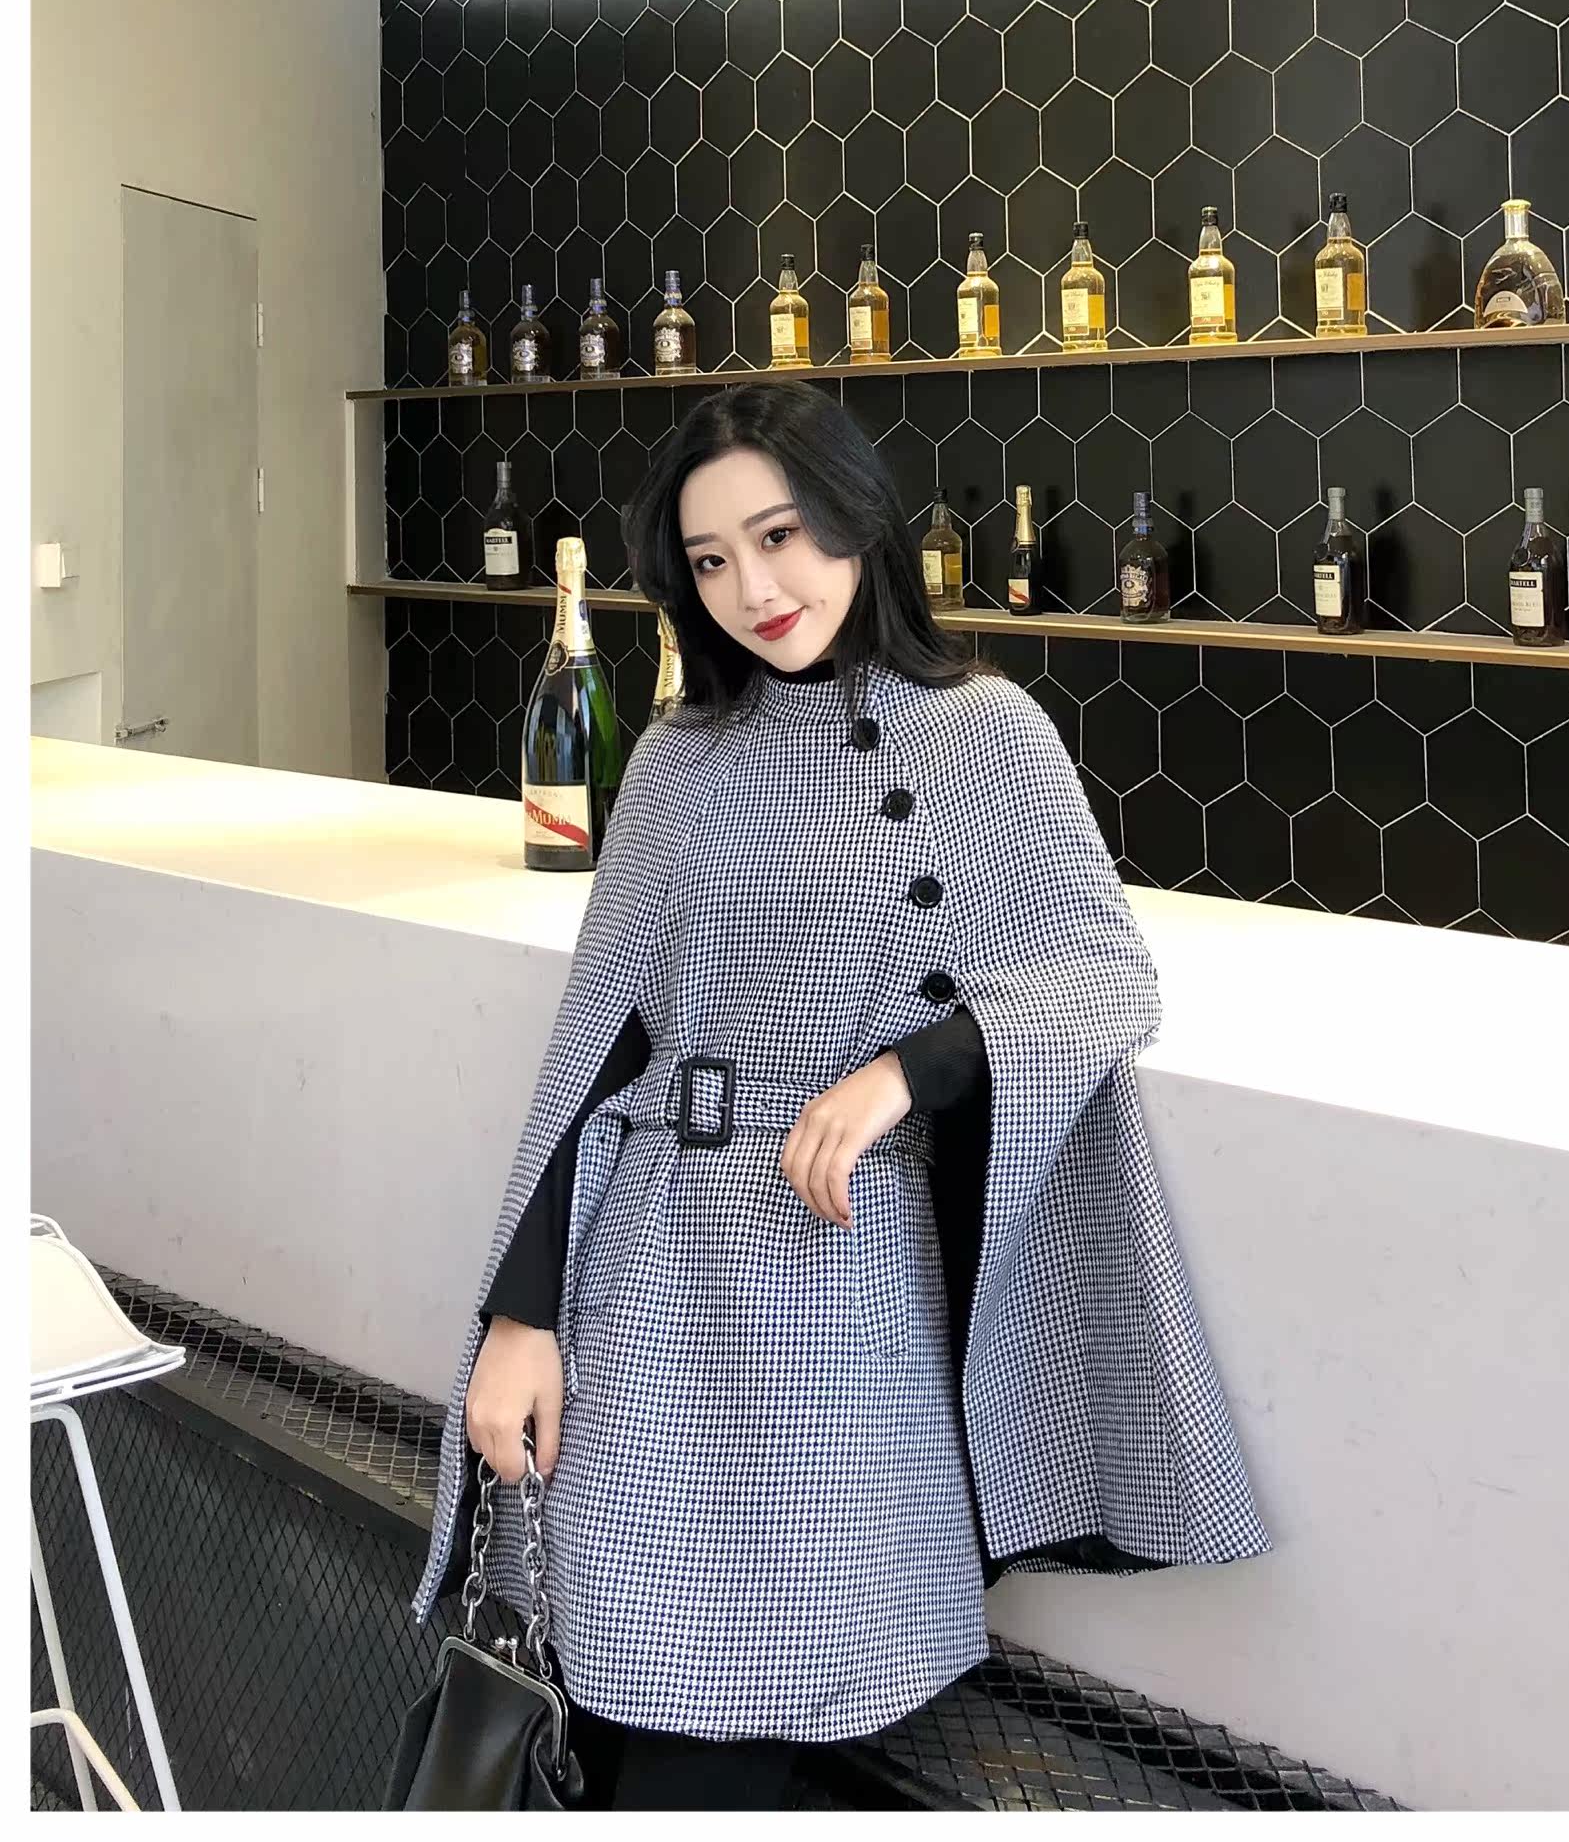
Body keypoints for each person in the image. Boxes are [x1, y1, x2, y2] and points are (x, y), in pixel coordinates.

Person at [407, 381, 1269, 1810]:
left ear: (857, 518)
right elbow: (596, 1052)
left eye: (781, 535)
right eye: (710, 561)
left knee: (767, 1707)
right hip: (649, 1284)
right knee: (621, 1685)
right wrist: (520, 1317)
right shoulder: (677, 758)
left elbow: (1099, 972)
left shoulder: (983, 732)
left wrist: (902, 1073)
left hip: (843, 1293)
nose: (755, 589)